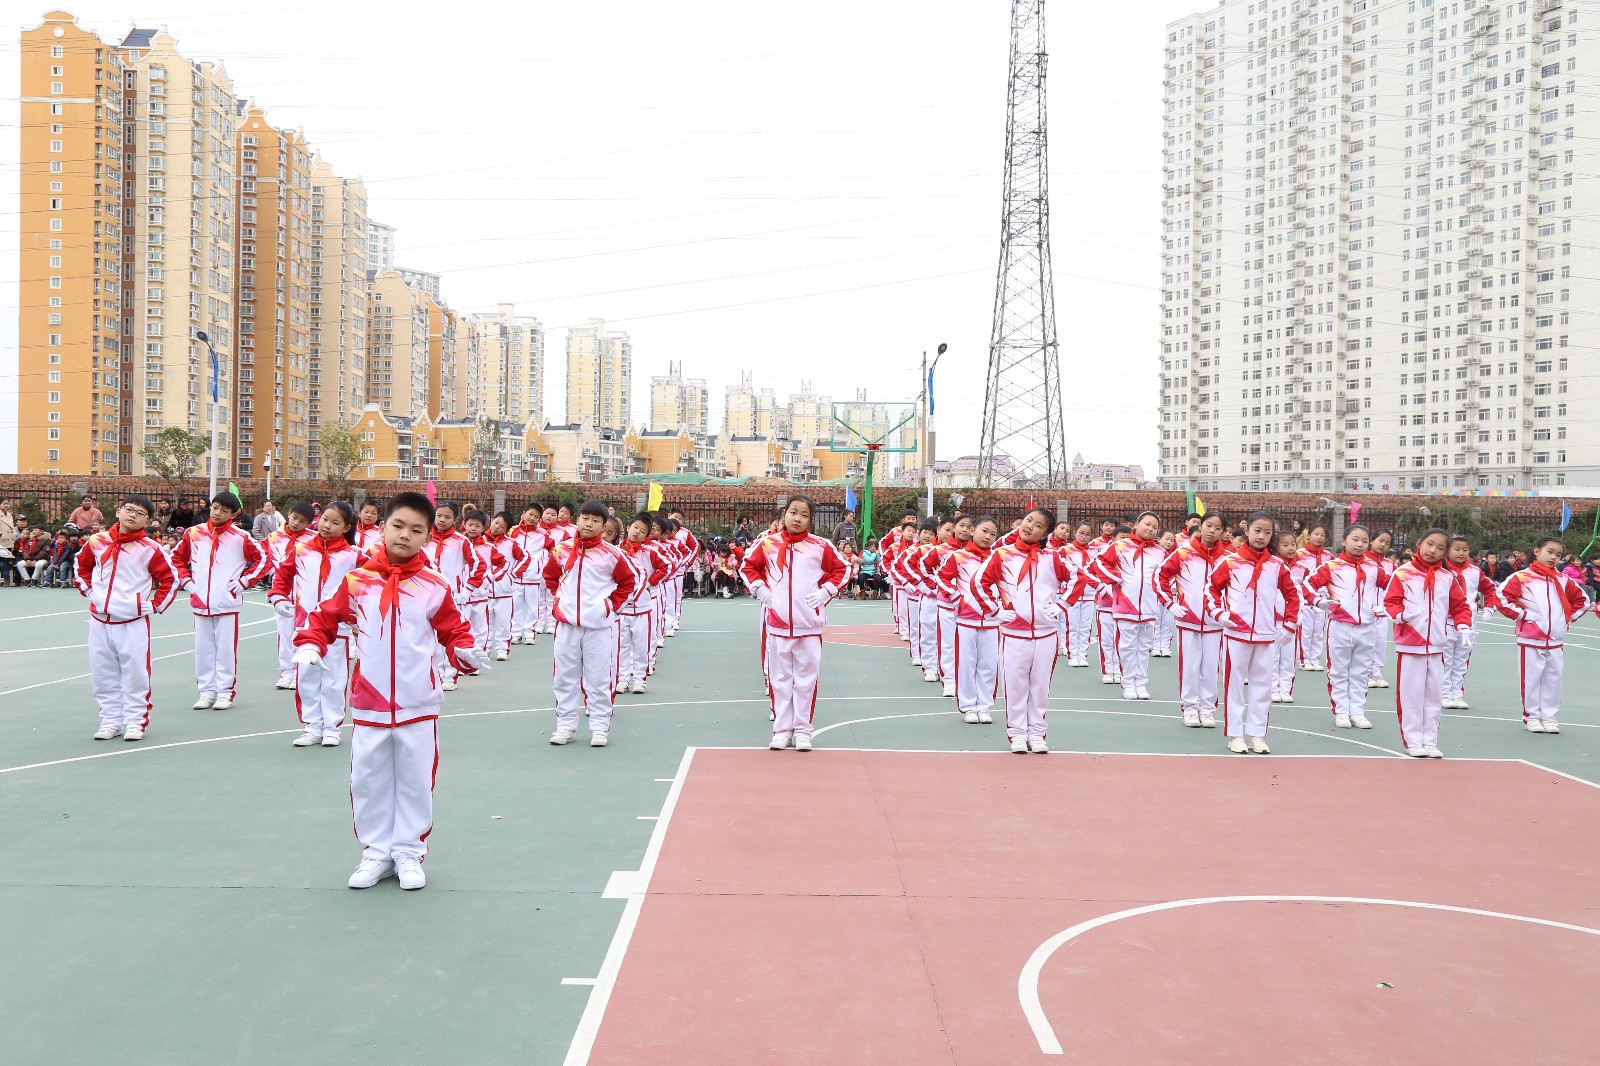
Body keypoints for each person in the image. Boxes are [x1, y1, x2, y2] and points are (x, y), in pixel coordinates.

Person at [294, 491, 486, 890]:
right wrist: (311, 643)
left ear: (428, 536)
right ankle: (375, 853)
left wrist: (464, 654)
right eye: (398, 525)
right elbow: (325, 617)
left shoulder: (434, 585)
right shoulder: (358, 580)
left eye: (417, 530)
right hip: (370, 702)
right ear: (381, 527)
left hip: (418, 702)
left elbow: (454, 631)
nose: (405, 535)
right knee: (368, 779)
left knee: (416, 779)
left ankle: (409, 852)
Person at [742, 495, 847, 751]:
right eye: (793, 512)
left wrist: (824, 593)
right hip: (777, 624)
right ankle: (781, 730)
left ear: (811, 520)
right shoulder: (767, 544)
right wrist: (761, 591)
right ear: (784, 514)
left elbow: (843, 570)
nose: (797, 519)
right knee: (779, 679)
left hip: (809, 626)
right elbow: (747, 567)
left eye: (804, 515)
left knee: (805, 680)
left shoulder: (820, 546)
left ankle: (802, 731)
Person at [76, 495, 179, 741]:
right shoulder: (97, 541)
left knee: (135, 673)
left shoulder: (150, 549)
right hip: (100, 621)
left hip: (132, 623)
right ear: (119, 512)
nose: (132, 515)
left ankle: (135, 721)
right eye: (129, 509)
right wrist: (91, 592)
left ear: (148, 520)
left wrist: (153, 606)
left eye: (140, 513)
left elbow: (170, 580)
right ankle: (111, 720)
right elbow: (81, 567)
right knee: (102, 674)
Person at [975, 508, 1071, 753]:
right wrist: (996, 612)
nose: (1030, 526)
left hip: (1046, 634)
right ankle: (1017, 733)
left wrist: (1062, 605)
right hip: (1014, 634)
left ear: (1045, 533)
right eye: (1028, 520)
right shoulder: (1002, 554)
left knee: (1040, 686)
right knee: (1015, 684)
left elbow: (1078, 579)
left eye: (1038, 525)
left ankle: (1037, 733)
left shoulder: (1053, 557)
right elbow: (979, 582)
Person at [543, 500, 636, 748]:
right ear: (578, 519)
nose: (589, 524)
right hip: (567, 626)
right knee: (564, 678)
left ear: (604, 526)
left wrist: (609, 608)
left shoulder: (612, 554)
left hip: (599, 627)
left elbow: (628, 584)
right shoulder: (561, 549)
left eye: (596, 521)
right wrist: (561, 602)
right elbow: (550, 576)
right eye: (586, 518)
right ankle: (565, 727)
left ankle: (599, 726)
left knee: (598, 679)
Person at [1207, 511, 1300, 754]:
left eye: (1267, 533)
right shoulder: (1230, 562)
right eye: (1257, 531)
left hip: (1266, 635)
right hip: (1236, 633)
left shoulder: (1277, 566)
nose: (1261, 536)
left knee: (1263, 686)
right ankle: (1235, 734)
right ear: (1246, 530)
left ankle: (1257, 734)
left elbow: (1293, 596)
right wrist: (1220, 614)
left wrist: (1289, 624)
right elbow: (1211, 590)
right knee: (1234, 685)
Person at [271, 501, 361, 748]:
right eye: (325, 520)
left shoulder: (354, 556)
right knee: (306, 679)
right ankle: (312, 727)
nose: (327, 526)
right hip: (305, 628)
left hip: (337, 629)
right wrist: (278, 597)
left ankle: (332, 727)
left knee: (333, 679)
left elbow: (370, 584)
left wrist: (357, 617)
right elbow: (282, 575)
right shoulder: (301, 550)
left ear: (346, 528)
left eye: (335, 523)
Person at [171, 491, 269, 711]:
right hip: (200, 602)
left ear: (234, 514)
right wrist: (186, 581)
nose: (217, 513)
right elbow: (176, 558)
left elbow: (263, 559)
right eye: (215, 507)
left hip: (226, 604)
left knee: (225, 650)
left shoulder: (240, 537)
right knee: (203, 650)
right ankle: (206, 692)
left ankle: (225, 692)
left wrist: (244, 582)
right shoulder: (193, 533)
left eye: (225, 511)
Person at [1382, 528, 1473, 758]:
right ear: (1419, 543)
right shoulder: (1403, 573)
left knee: (1433, 696)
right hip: (1410, 645)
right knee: (1411, 695)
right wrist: (1402, 616)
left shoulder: (1447, 577)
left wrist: (1463, 625)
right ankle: (1413, 740)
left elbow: (1460, 606)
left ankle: (1430, 740)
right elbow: (1390, 602)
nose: (1433, 550)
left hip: (1436, 646)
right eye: (1430, 544)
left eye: (1440, 548)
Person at [1497, 536, 1592, 735]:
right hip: (1530, 639)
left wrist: (1565, 619)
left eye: (1558, 555)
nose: (1553, 557)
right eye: (1549, 552)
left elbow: (1583, 601)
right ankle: (1531, 716)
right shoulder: (1521, 577)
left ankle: (1549, 717)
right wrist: (1524, 615)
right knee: (1531, 679)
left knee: (1553, 680)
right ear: (1537, 551)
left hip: (1556, 641)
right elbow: (1502, 597)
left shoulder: (1563, 579)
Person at [1157, 511, 1228, 728]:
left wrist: (1228, 612)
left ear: (1223, 532)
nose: (1212, 531)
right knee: (1189, 666)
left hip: (1215, 622)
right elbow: (1160, 575)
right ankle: (1189, 708)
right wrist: (1171, 603)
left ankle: (1207, 709)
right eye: (1209, 526)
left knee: (1210, 667)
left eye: (1218, 528)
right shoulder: (1183, 553)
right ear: (1200, 527)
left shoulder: (1228, 558)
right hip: (1188, 619)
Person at [1304, 524, 1378, 730]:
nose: (1360, 544)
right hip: (1340, 626)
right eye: (1355, 539)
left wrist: (1385, 608)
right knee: (1338, 670)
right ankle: (1341, 711)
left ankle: (1357, 711)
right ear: (1344, 541)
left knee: (1361, 671)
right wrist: (1319, 602)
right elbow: (1307, 584)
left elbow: (1393, 588)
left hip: (1367, 627)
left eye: (1364, 541)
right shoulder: (1332, 566)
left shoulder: (1373, 568)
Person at [1089, 511, 1165, 701]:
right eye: (1147, 524)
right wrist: (1115, 579)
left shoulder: (1159, 552)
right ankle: (1128, 683)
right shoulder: (1120, 546)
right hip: (1125, 606)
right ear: (1136, 524)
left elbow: (1166, 576)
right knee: (1127, 647)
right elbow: (1097, 563)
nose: (1150, 529)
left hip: (1149, 609)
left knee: (1144, 647)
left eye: (1154, 527)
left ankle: (1141, 683)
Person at [938, 515, 1000, 725]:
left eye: (993, 534)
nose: (988, 537)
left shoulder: (998, 558)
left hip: (992, 620)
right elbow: (942, 577)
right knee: (966, 663)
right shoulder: (958, 557)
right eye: (984, 531)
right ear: (973, 531)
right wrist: (957, 598)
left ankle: (984, 706)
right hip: (965, 619)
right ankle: (968, 706)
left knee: (989, 665)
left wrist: (1003, 607)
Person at [421, 501, 483, 692]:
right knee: (427, 637)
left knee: (449, 637)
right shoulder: (424, 537)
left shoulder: (461, 541)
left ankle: (450, 675)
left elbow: (477, 565)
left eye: (447, 517)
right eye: (439, 515)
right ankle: (436, 673)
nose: (441, 520)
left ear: (455, 520)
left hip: (452, 598)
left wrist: (468, 589)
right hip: (425, 596)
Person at [1441, 536, 1502, 710]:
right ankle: (1444, 693)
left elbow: (1490, 588)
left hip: (1467, 623)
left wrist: (1490, 606)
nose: (1461, 553)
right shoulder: (1441, 570)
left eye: (1465, 550)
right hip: (1444, 622)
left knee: (1461, 660)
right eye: (1457, 549)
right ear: (1447, 551)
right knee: (1445, 660)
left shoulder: (1475, 571)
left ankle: (1457, 693)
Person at [920, 514, 973, 696]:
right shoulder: (941, 550)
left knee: (967, 647)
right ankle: (949, 681)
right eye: (961, 526)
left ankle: (964, 681)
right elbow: (922, 566)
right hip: (946, 604)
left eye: (969, 527)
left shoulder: (976, 552)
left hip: (969, 608)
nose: (964, 530)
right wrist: (932, 586)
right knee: (947, 643)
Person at [264, 503, 316, 688]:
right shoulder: (273, 538)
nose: (296, 523)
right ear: (289, 513)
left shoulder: (313, 540)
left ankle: (300, 671)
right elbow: (261, 559)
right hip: (282, 593)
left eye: (302, 521)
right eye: (295, 518)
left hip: (306, 592)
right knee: (284, 633)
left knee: (303, 632)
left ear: (309, 524)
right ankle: (286, 671)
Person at [618, 513, 668, 694]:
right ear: (628, 526)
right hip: (622, 608)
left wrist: (649, 583)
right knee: (621, 646)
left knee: (641, 646)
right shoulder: (618, 551)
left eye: (643, 531)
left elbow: (667, 566)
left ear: (647, 535)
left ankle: (639, 679)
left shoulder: (650, 552)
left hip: (643, 607)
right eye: (635, 527)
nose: (637, 532)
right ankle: (622, 679)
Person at [1270, 528, 1303, 705]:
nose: (1290, 548)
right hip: (1272, 619)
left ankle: (1285, 688)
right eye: (1285, 545)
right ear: (1275, 547)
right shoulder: (1272, 565)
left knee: (1289, 657)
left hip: (1291, 620)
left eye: (1293, 545)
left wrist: (1298, 615)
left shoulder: (1301, 568)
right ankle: (1273, 687)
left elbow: (1303, 593)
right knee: (1273, 656)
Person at [1292, 523, 1331, 670]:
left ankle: (1315, 659)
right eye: (1316, 534)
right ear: (1309, 535)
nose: (1319, 537)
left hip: (1322, 599)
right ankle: (1304, 659)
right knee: (1306, 630)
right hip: (1305, 597)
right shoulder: (1300, 554)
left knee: (1318, 631)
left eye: (1322, 535)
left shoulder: (1328, 556)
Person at [1364, 530, 1396, 688]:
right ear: (1372, 541)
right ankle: (1366, 672)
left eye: (1387, 543)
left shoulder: (1390, 565)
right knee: (1366, 643)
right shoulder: (1362, 561)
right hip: (1365, 610)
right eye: (1380, 540)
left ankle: (1377, 672)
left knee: (1380, 643)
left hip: (1383, 611)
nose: (1383, 545)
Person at [0, 498, 18, 587]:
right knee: (2, 561)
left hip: (9, 541)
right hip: (1, 540)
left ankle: (7, 579)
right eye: (4, 504)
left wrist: (14, 534)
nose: (6, 505)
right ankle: (6, 579)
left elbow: (12, 527)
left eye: (7, 504)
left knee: (6, 561)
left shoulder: (9, 515)